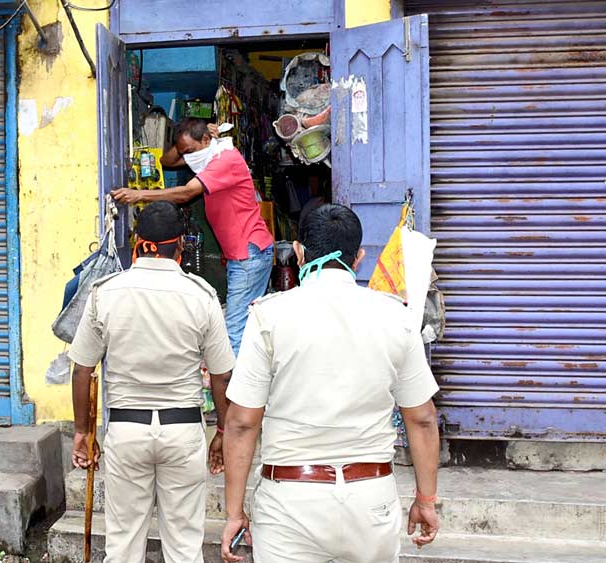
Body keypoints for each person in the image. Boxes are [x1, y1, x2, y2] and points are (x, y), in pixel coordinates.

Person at [219, 204, 441, 563]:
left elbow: (242, 422)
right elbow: (423, 419)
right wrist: (426, 500)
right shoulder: (395, 316)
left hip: (290, 502)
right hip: (371, 500)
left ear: (299, 251)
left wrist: (233, 514)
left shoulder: (269, 316)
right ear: (359, 258)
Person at [69, 201, 237, 563]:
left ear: (138, 242)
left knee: (124, 544)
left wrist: (83, 432)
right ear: (179, 247)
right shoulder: (202, 296)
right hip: (182, 431)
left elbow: (82, 369)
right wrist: (222, 432)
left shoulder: (106, 292)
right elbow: (223, 375)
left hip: (127, 432)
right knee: (183, 547)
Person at [111, 118, 275, 356]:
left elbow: (187, 193)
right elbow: (166, 161)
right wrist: (183, 146)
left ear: (207, 140)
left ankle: (234, 392)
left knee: (234, 331)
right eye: (184, 152)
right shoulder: (208, 157)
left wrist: (139, 195)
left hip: (248, 253)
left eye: (190, 151)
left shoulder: (224, 160)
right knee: (241, 325)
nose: (187, 157)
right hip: (242, 254)